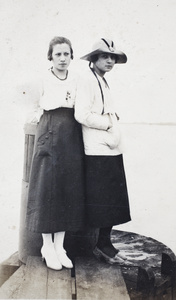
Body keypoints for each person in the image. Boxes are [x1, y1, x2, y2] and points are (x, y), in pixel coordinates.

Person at [26, 36, 85, 270]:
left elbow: (81, 107)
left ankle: (60, 246)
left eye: (66, 54)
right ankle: (46, 246)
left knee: (66, 188)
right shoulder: (41, 79)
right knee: (46, 188)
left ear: (71, 56)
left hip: (71, 133)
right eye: (58, 54)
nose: (62, 58)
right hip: (48, 132)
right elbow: (33, 108)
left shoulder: (77, 79)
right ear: (50, 56)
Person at [75, 38, 131, 265]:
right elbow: (82, 114)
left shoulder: (101, 80)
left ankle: (105, 243)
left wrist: (113, 121)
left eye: (113, 58)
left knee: (114, 198)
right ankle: (100, 246)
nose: (110, 61)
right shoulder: (87, 80)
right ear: (94, 59)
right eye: (105, 57)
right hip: (97, 149)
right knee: (102, 200)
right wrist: (107, 124)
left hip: (110, 147)